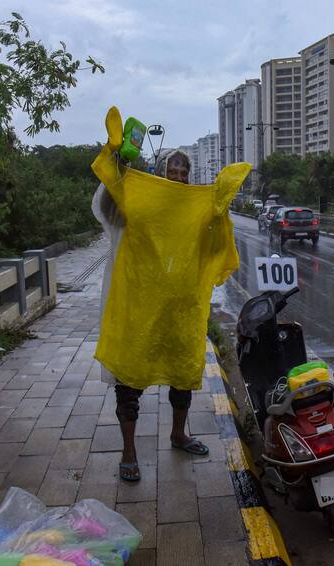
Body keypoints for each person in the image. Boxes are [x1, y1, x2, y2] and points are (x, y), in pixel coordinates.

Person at [91, 107, 250, 482]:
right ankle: (129, 452)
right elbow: (107, 206)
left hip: (180, 309)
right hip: (139, 306)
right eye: (172, 171)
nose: (178, 176)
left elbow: (213, 249)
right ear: (160, 174)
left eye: (184, 171)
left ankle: (180, 433)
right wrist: (116, 160)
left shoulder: (196, 210)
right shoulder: (141, 202)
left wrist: (218, 209)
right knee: (129, 378)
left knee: (182, 374)